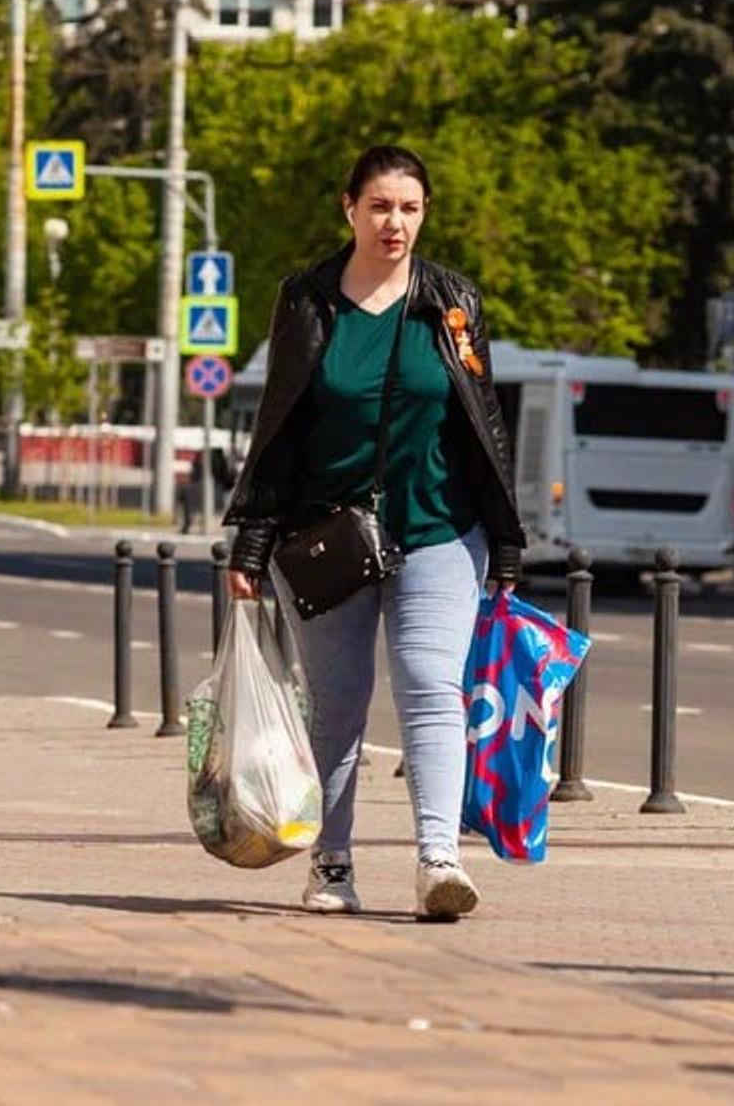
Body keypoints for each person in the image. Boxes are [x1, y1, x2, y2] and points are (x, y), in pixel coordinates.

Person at [222, 145, 525, 921]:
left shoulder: (452, 301)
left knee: (431, 685)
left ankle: (439, 861)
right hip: (327, 536)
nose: (396, 223)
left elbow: (483, 421)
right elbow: (281, 424)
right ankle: (330, 862)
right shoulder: (308, 300)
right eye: (381, 206)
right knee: (338, 705)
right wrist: (252, 537)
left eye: (410, 209)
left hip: (439, 528)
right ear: (349, 208)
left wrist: (506, 536)